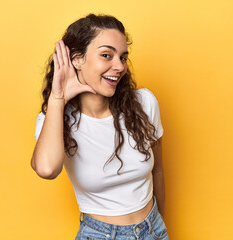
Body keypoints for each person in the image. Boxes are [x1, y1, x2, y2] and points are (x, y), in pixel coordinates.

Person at [31, 13, 169, 240]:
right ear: (77, 59)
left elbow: (158, 171)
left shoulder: (144, 103)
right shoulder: (55, 120)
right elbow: (46, 169)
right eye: (107, 55)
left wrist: (160, 225)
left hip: (153, 229)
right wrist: (58, 98)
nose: (119, 66)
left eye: (123, 58)